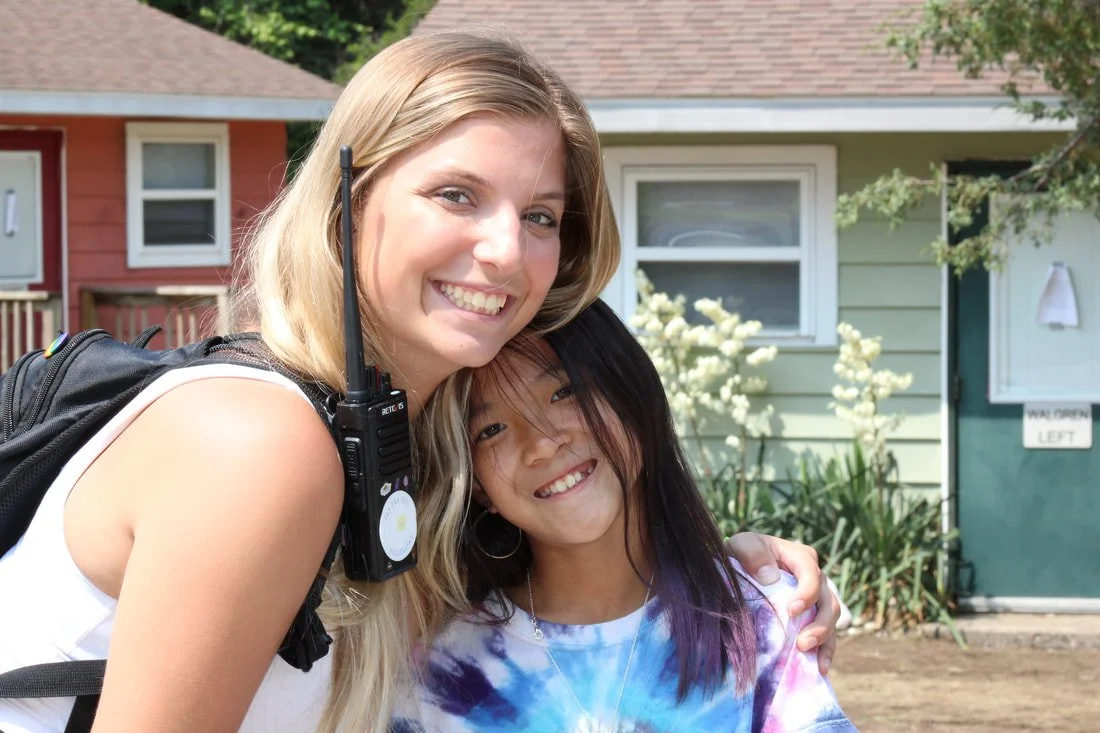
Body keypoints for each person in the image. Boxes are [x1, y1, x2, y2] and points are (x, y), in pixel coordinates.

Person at [0, 31, 838, 733]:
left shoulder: (407, 463)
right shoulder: (261, 445)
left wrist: (715, 576)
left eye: (540, 215)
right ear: (350, 206)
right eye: (456, 194)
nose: (507, 250)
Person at [394, 300, 856, 732]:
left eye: (564, 392)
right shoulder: (443, 672)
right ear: (474, 483)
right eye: (490, 429)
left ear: (632, 394)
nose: (542, 443)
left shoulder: (761, 621)